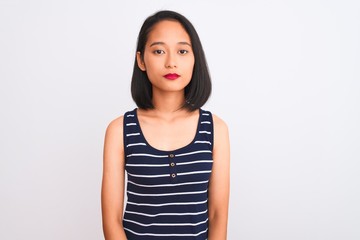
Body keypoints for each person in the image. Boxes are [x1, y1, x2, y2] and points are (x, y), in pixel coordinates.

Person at [101, 10, 230, 240]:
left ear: (194, 58)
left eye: (182, 51)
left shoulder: (215, 129)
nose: (171, 62)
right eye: (159, 51)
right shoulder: (119, 130)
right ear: (141, 60)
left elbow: (218, 216)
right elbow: (111, 220)